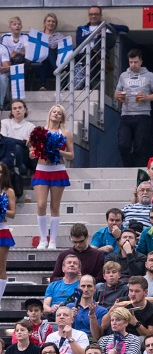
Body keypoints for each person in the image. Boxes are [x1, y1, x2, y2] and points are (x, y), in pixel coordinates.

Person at [31, 105, 74, 250]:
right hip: (42, 170)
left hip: (58, 170)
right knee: (41, 204)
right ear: (49, 114)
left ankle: (53, 241)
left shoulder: (66, 133)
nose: (56, 114)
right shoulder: (40, 132)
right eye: (54, 112)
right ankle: (43, 239)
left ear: (62, 117)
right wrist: (37, 148)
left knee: (55, 206)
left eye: (59, 113)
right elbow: (31, 154)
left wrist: (58, 151)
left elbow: (71, 155)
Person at [115, 50, 153, 168]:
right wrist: (119, 96)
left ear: (141, 62)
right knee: (123, 144)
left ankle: (139, 170)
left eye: (135, 62)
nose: (133, 65)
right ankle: (128, 167)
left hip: (142, 115)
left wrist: (147, 97)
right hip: (126, 114)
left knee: (140, 146)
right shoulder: (123, 75)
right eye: (130, 62)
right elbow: (116, 92)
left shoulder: (149, 76)